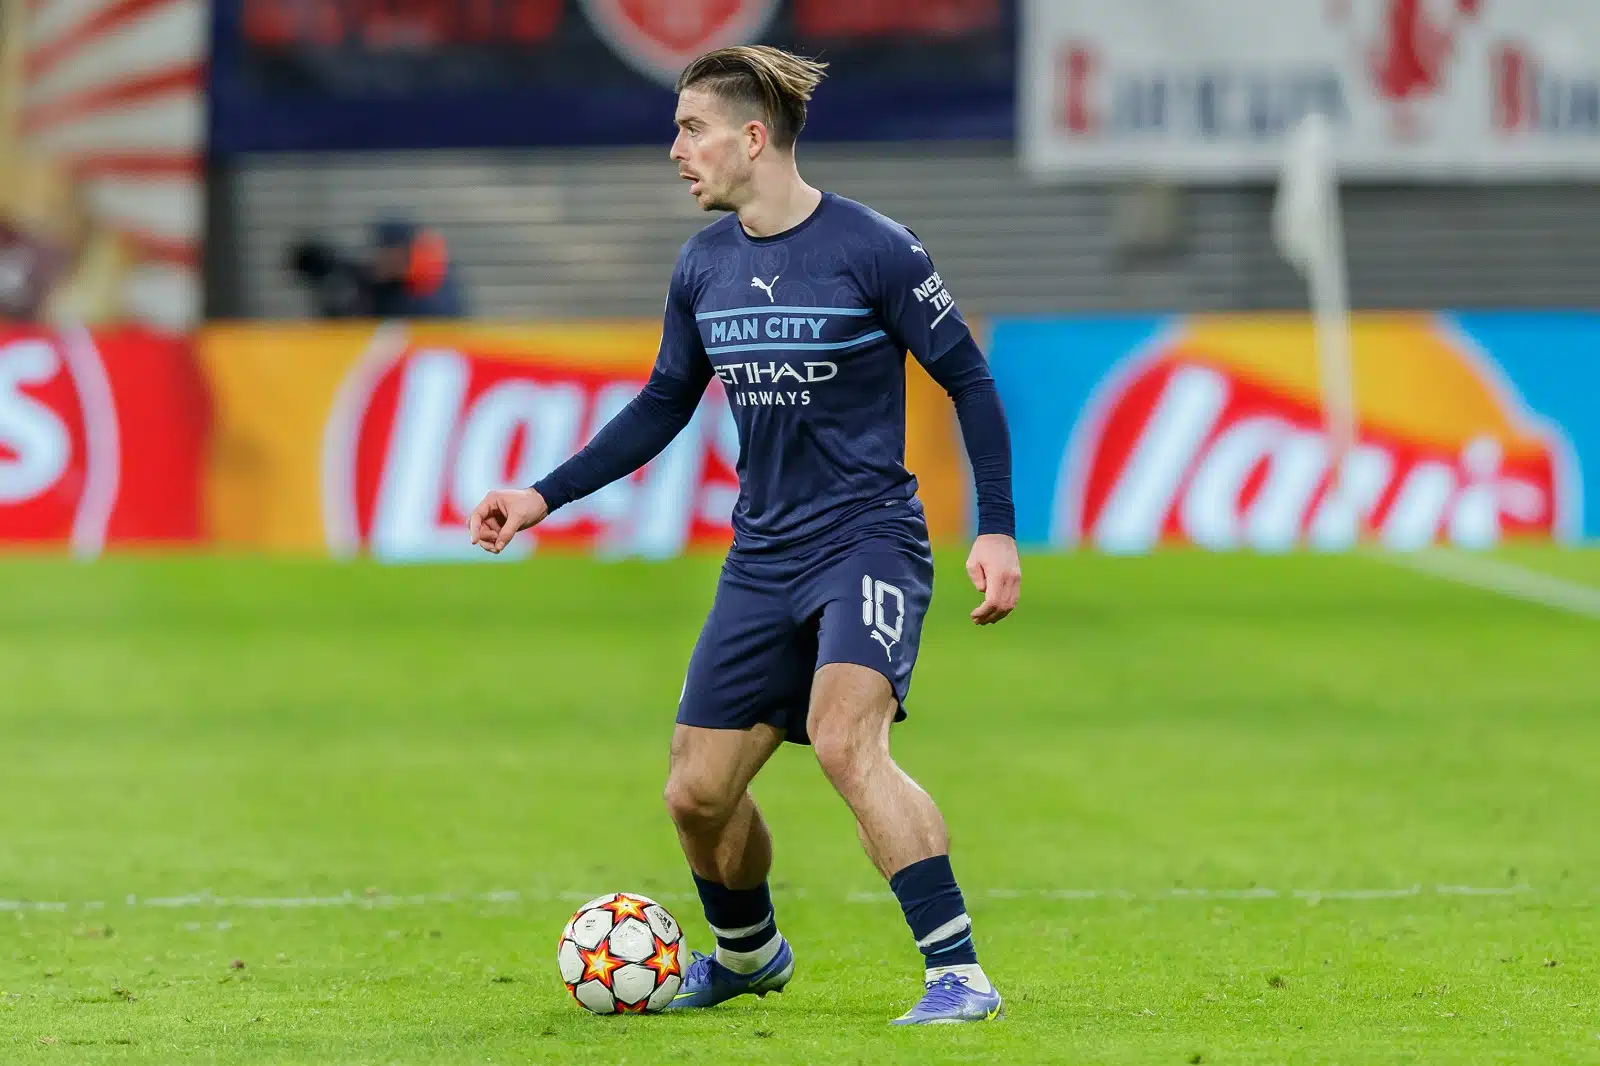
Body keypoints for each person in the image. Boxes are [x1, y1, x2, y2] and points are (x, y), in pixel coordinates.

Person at [468, 45, 1019, 1025]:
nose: (676, 149)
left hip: (866, 540)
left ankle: (959, 975)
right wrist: (544, 495)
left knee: (846, 741)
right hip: (763, 556)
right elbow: (663, 403)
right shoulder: (703, 266)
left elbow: (968, 381)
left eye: (692, 129)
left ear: (752, 138)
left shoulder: (877, 249)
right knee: (695, 794)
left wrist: (998, 529)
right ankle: (748, 955)